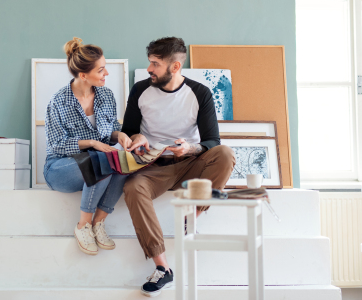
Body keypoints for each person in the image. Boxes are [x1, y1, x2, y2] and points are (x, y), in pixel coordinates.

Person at [119, 37, 236, 297]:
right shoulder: (140, 90)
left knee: (225, 154)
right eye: (150, 62)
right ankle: (163, 269)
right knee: (133, 187)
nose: (149, 69)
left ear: (174, 67)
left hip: (191, 162)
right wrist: (136, 139)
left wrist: (190, 148)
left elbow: (212, 141)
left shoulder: (200, 93)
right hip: (154, 165)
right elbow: (128, 132)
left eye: (155, 64)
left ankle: (192, 218)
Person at [44, 37, 130, 256]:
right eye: (101, 70)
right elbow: (57, 145)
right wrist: (93, 143)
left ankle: (98, 223)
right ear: (83, 75)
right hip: (60, 168)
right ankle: (83, 225)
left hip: (95, 161)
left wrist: (119, 135)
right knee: (97, 159)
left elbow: (110, 131)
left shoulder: (107, 96)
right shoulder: (59, 101)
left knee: (122, 165)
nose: (106, 74)